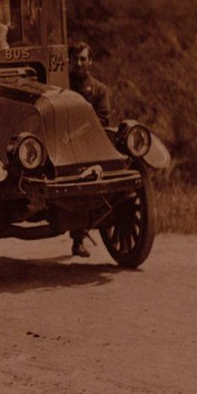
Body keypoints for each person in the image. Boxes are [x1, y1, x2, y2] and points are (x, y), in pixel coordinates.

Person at [67, 40, 113, 258]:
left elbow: (103, 120)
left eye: (83, 59)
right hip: (62, 144)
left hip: (90, 145)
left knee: (89, 180)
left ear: (90, 61)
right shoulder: (59, 86)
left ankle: (79, 239)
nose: (78, 63)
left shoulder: (99, 90)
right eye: (75, 59)